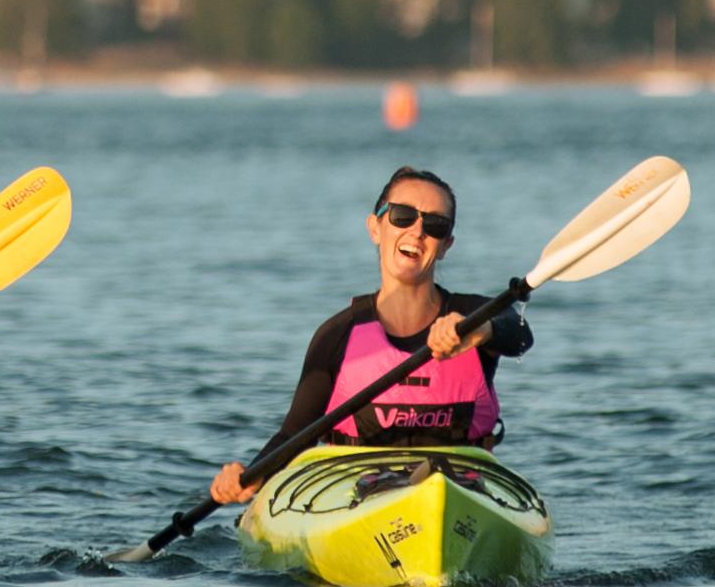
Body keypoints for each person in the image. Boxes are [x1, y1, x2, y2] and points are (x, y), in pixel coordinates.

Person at [205, 166, 531, 507]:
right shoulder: (339, 334)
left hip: (463, 492)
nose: (417, 231)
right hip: (358, 501)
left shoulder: (473, 314)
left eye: (435, 225)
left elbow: (520, 334)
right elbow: (294, 435)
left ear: (446, 245)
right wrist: (250, 477)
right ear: (375, 228)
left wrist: (481, 330)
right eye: (402, 216)